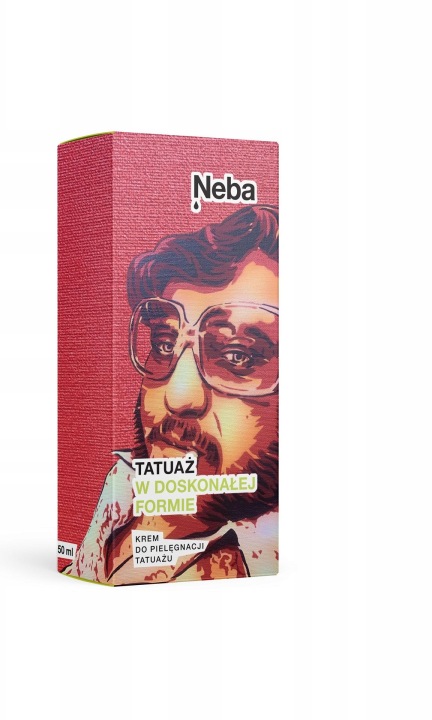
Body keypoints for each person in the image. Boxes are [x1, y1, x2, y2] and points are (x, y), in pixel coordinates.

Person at [64, 205, 279, 584]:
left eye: (237, 355)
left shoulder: (261, 563)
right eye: (165, 344)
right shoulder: (119, 487)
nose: (178, 397)